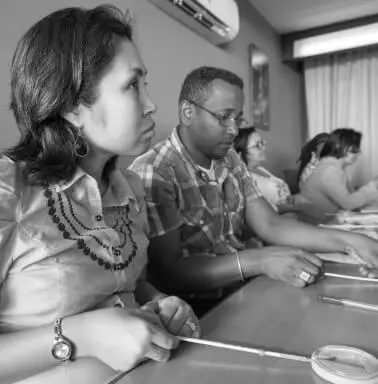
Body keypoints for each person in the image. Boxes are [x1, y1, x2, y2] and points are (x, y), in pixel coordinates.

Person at [0, 6, 199, 384]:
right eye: (132, 85)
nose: (151, 105)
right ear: (71, 106)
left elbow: (125, 285)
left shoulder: (127, 192)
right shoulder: (0, 191)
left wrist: (158, 304)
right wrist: (82, 335)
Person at [129, 66, 378, 315]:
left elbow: (270, 224)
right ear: (188, 112)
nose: (234, 130)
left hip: (244, 287)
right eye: (224, 117)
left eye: (237, 119)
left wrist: (350, 240)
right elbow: (169, 273)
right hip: (196, 308)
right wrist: (257, 260)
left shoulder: (229, 159)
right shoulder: (154, 171)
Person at [299, 128, 378, 217]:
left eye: (357, 150)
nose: (357, 153)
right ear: (337, 146)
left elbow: (351, 198)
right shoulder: (328, 171)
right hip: (315, 225)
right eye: (353, 149)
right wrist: (373, 185)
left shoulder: (336, 169)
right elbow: (348, 204)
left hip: (327, 220)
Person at [234, 127, 311, 215]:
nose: (264, 147)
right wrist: (293, 206)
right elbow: (258, 214)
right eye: (257, 145)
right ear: (239, 154)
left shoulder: (260, 169)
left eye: (263, 142)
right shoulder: (244, 180)